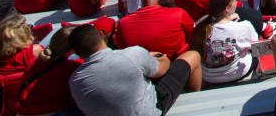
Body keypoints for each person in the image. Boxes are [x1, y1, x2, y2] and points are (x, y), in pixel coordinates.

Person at [67, 23, 203, 116]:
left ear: (77, 53)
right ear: (100, 35)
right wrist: (163, 58)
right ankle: (195, 101)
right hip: (152, 110)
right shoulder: (132, 54)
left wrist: (144, 57)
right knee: (193, 55)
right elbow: (162, 70)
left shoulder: (74, 81)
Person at [193, 0, 260, 87]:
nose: (236, 3)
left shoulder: (200, 25)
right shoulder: (244, 26)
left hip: (209, 76)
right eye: (235, 1)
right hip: (235, 74)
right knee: (254, 48)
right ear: (228, 8)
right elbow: (255, 46)